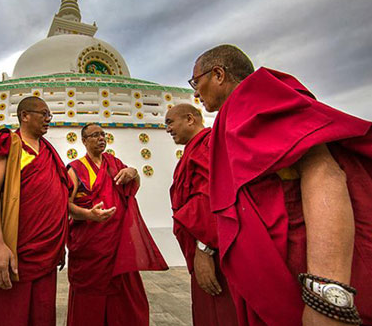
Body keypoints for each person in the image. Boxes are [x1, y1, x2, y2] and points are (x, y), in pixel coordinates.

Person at [190, 44, 372, 326]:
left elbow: (324, 171)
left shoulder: (258, 99)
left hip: (303, 277)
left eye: (196, 81)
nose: (195, 92)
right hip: (273, 274)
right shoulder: (233, 116)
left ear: (218, 74)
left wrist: (326, 299)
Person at [0, 97, 71, 326]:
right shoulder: (9, 144)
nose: (48, 120)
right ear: (25, 116)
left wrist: (59, 241)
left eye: (49, 115)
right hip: (15, 250)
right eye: (43, 114)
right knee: (7, 316)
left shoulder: (49, 152)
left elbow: (58, 198)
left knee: (41, 315)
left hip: (46, 253)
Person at [66, 123, 168, 326]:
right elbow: (65, 206)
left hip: (119, 247)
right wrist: (89, 214)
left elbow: (130, 188)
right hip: (91, 249)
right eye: (95, 135)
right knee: (90, 302)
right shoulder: (74, 169)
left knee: (124, 301)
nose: (101, 138)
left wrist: (133, 172)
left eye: (103, 134)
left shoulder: (114, 164)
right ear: (84, 141)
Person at [165, 103, 238, 325]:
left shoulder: (208, 145)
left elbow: (210, 198)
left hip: (214, 247)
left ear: (190, 119)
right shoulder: (193, 149)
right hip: (204, 243)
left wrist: (204, 249)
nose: (167, 129)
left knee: (223, 312)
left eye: (170, 122)